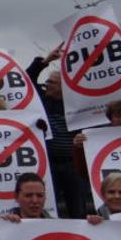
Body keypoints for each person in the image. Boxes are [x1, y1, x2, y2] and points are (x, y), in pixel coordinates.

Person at [27, 44, 88, 218]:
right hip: (49, 163)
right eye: (46, 82)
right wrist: (45, 61)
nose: (46, 85)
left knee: (77, 206)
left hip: (73, 164)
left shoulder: (78, 106)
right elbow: (27, 80)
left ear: (64, 87)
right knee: (49, 207)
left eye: (51, 82)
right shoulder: (41, 102)